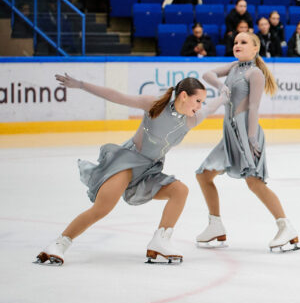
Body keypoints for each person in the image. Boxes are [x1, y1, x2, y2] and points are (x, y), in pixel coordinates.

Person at [36, 75, 225, 265]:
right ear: (184, 96)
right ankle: (59, 244)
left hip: (149, 171)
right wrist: (81, 85)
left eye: (202, 102)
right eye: (198, 100)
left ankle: (160, 242)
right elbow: (116, 96)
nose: (200, 106)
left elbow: (211, 108)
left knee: (180, 191)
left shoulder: (191, 120)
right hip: (127, 163)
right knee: (102, 209)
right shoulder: (154, 105)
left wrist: (224, 96)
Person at [195, 32, 300, 252]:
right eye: (235, 42)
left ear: (255, 49)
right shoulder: (234, 67)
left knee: (254, 182)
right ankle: (215, 224)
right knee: (204, 174)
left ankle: (285, 226)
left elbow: (253, 108)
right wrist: (220, 86)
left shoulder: (255, 73)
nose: (237, 45)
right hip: (230, 133)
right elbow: (207, 73)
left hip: (246, 132)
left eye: (243, 42)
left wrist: (252, 138)